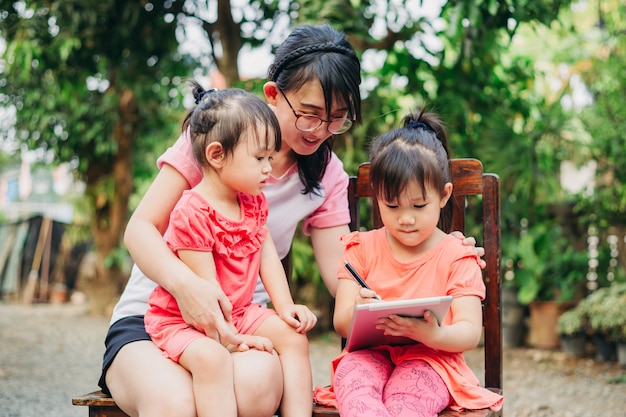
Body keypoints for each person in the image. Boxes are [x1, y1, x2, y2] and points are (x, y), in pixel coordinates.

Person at [99, 23, 481, 417]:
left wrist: (439, 252)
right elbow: (139, 229)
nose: (322, 131)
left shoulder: (326, 175)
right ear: (273, 95)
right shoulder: (219, 138)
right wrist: (187, 288)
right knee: (173, 401)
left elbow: (347, 273)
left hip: (243, 322)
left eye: (337, 119)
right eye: (310, 114)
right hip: (153, 317)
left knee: (256, 391)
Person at [313, 110, 504, 417]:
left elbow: (469, 331)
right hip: (368, 357)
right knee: (356, 391)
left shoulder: (457, 253)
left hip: (433, 359)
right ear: (377, 197)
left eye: (419, 205)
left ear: (443, 196)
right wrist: (359, 311)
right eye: (391, 205)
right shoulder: (360, 248)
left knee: (406, 402)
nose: (406, 218)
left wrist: (433, 335)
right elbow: (341, 322)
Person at [143, 84, 317, 417]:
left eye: (271, 157)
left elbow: (266, 254)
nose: (269, 168)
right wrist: (233, 339)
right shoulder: (192, 212)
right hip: (189, 319)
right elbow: (205, 297)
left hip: (238, 310)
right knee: (213, 359)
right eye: (259, 158)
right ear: (217, 155)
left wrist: (285, 307)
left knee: (293, 338)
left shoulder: (252, 201)